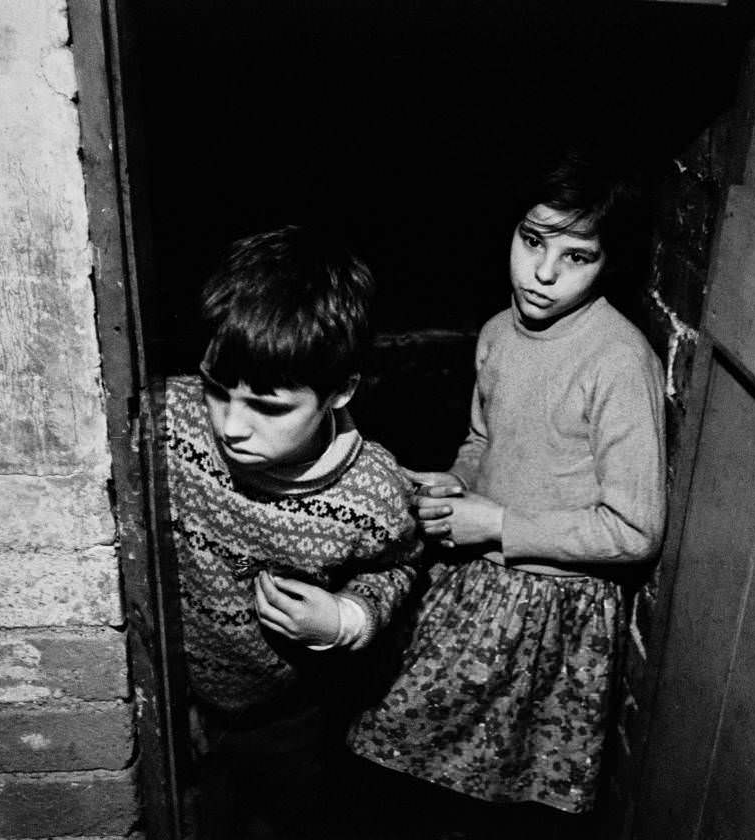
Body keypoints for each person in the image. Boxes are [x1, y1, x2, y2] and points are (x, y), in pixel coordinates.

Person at [347, 150, 668, 838]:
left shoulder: (618, 361)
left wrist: (497, 524)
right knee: (395, 749)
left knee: (484, 799)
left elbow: (635, 530)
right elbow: (481, 440)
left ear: (608, 262)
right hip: (472, 581)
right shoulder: (495, 334)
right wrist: (455, 481)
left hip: (547, 609)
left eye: (576, 256)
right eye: (532, 242)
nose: (544, 274)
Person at [164, 226, 422, 840]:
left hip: (287, 713)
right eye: (218, 392)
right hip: (175, 693)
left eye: (270, 408)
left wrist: (346, 619)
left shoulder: (372, 491)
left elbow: (401, 566)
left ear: (340, 391)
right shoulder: (170, 418)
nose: (231, 427)